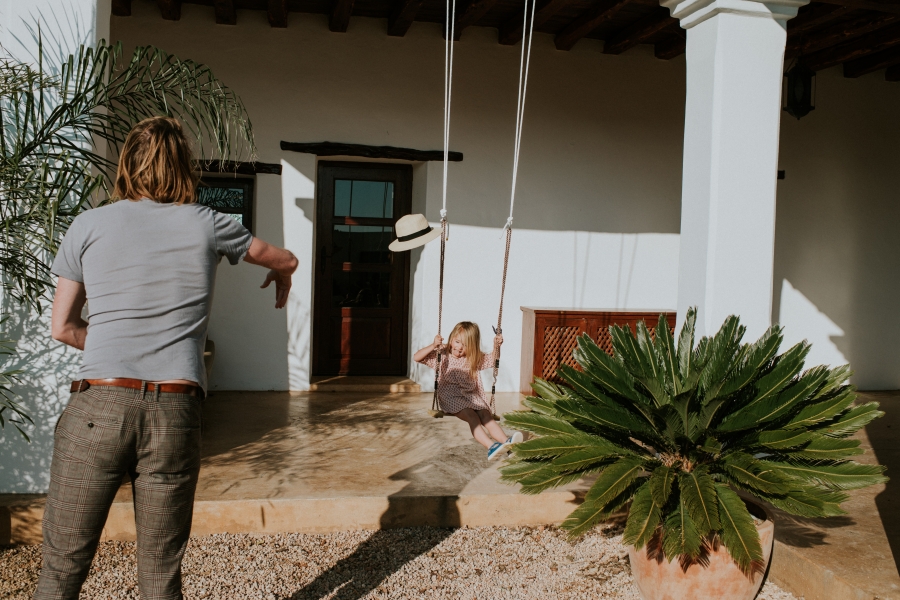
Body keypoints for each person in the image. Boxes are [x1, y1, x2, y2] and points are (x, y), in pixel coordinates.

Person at [35, 116, 299, 600]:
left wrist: (118, 341)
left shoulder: (89, 224)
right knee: (160, 576)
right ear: (184, 169)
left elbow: (64, 327)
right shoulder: (211, 223)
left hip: (99, 406)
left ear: (127, 165)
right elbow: (285, 258)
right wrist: (282, 277)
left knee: (62, 569)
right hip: (175, 412)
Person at [414, 321, 522, 460]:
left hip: (471, 396)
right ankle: (491, 447)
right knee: (473, 417)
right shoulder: (442, 355)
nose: (459, 347)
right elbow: (417, 357)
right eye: (457, 341)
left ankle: (507, 444)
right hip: (451, 397)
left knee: (486, 416)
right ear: (451, 338)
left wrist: (497, 346)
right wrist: (433, 346)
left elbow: (492, 359)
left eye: (465, 345)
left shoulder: (472, 357)